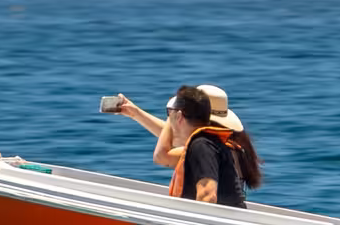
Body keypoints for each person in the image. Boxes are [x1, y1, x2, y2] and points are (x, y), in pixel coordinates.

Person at [108, 83, 260, 206]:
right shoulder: (226, 144)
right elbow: (178, 136)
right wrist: (136, 113)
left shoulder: (205, 147)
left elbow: (163, 154)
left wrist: (173, 112)